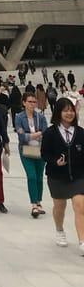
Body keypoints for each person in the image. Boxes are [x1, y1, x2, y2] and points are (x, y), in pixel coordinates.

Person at [41, 97, 84, 250]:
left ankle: (82, 241)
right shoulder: (50, 133)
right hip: (57, 176)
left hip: (78, 177)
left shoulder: (80, 133)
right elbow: (44, 153)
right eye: (65, 110)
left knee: (80, 205)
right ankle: (59, 230)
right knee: (60, 206)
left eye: (71, 110)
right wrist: (54, 161)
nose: (69, 113)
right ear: (58, 113)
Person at [15, 91, 48, 218]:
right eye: (30, 102)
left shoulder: (40, 117)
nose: (32, 104)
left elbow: (45, 131)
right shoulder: (19, 117)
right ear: (24, 103)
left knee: (39, 176)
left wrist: (32, 135)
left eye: (34, 102)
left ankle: (39, 202)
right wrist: (35, 134)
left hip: (40, 149)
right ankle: (33, 204)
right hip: (26, 150)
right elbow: (21, 136)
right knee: (31, 176)